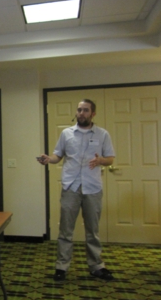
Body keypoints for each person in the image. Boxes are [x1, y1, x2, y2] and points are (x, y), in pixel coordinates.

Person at [38, 99, 115, 282]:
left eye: (85, 110)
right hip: (70, 187)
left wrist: (100, 161)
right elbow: (58, 155)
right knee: (65, 230)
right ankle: (62, 267)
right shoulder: (66, 134)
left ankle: (96, 266)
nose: (81, 113)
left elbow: (110, 158)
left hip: (92, 187)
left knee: (92, 230)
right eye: (79, 110)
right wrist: (49, 159)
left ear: (92, 114)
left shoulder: (103, 134)